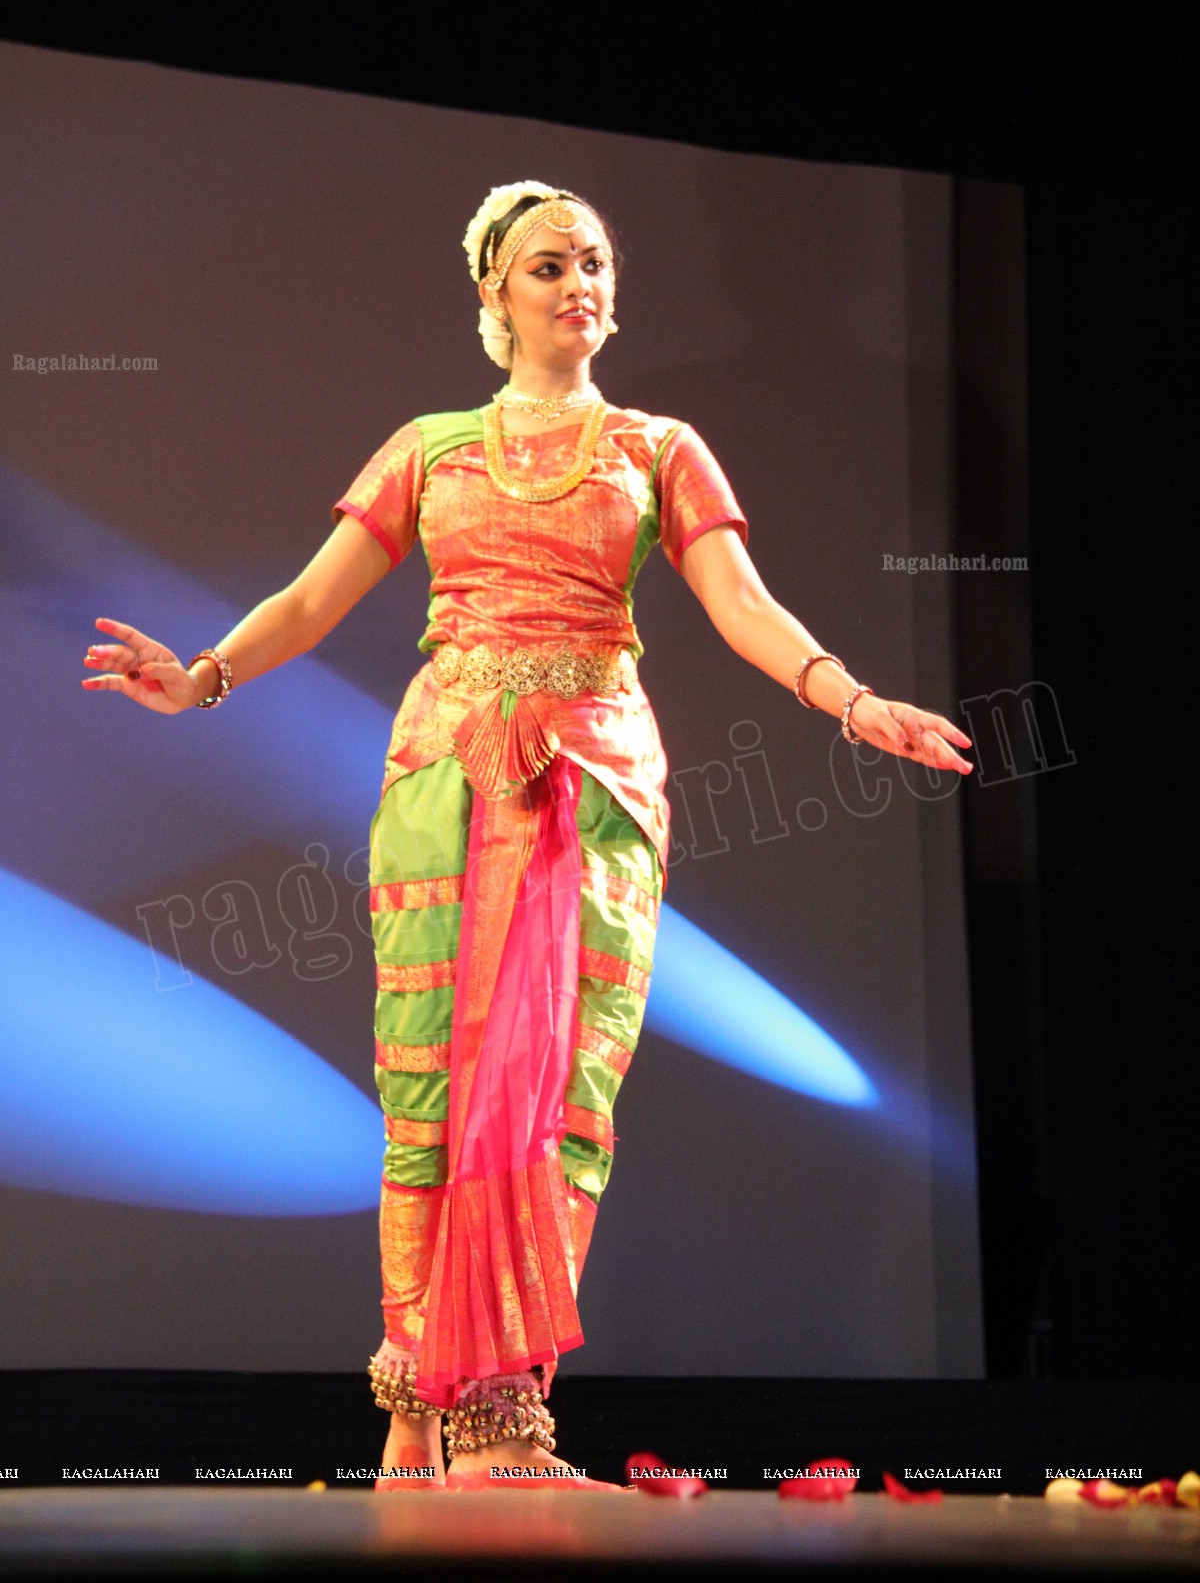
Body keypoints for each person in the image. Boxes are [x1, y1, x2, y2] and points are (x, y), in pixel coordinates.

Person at [82, 179, 973, 1491]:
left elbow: (743, 605)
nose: (579, 283)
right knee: (431, 1089)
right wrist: (203, 675)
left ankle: (503, 1412)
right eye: (547, 264)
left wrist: (850, 700)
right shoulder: (431, 447)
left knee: (559, 1096)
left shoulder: (663, 449)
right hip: (445, 777)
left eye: (597, 261)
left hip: (595, 784)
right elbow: (312, 598)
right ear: (491, 295)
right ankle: (413, 1404)